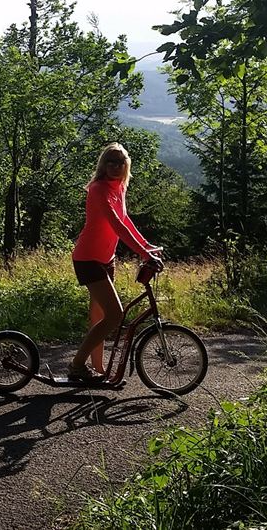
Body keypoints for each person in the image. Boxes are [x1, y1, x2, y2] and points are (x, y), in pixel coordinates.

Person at [68, 143, 162, 381]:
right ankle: (77, 365)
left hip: (106, 259)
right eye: (110, 161)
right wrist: (143, 253)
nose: (114, 166)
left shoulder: (119, 187)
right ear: (103, 164)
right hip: (88, 258)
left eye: (119, 162)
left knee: (99, 318)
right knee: (115, 315)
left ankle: (97, 370)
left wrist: (146, 246)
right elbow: (116, 225)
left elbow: (125, 219)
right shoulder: (98, 189)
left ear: (125, 166)